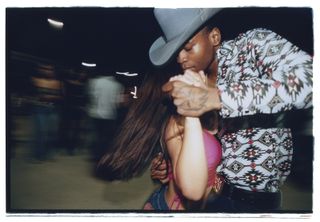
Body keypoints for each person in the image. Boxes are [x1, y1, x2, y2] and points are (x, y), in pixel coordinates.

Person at [149, 8, 313, 212]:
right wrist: (170, 160)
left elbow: (310, 80)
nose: (181, 58)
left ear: (214, 36)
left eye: (189, 47)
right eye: (176, 53)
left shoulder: (252, 45)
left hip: (258, 203)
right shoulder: (199, 80)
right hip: (217, 197)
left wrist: (216, 97)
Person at [97, 64, 223, 210]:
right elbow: (193, 191)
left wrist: (168, 171)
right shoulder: (179, 121)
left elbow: (214, 178)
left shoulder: (221, 113)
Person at [87, 71, 124, 162]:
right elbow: (118, 103)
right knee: (105, 137)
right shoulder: (118, 86)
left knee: (96, 135)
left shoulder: (94, 81)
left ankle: (94, 154)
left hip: (95, 113)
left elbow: (91, 96)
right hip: (109, 115)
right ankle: (101, 155)